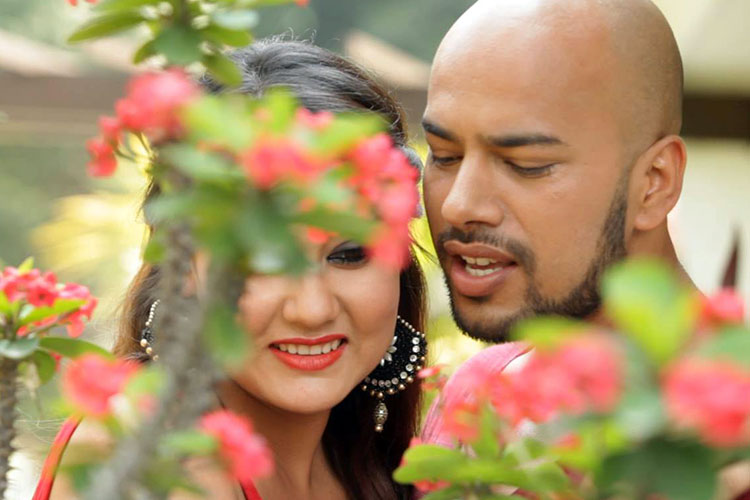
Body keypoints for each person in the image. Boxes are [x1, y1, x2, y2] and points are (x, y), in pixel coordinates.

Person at [34, 38, 427, 500]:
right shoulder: (152, 455)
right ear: (181, 264)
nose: (312, 309)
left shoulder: (370, 462)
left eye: (349, 254)